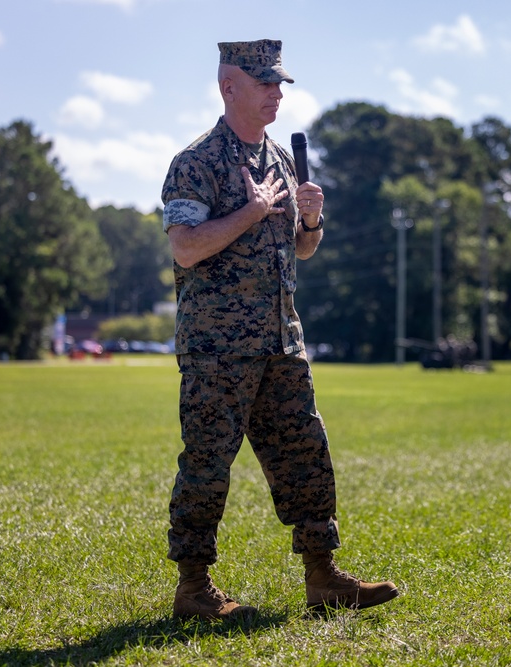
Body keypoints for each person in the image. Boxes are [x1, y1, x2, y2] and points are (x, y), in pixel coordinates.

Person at [160, 39, 399, 620]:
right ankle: (194, 589)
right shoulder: (197, 162)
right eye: (264, 82)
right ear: (229, 87)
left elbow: (300, 250)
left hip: (281, 342)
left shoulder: (282, 160)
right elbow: (186, 248)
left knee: (306, 455)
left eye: (279, 83)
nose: (276, 93)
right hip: (217, 349)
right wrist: (252, 209)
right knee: (208, 464)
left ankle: (324, 577)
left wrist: (311, 218)